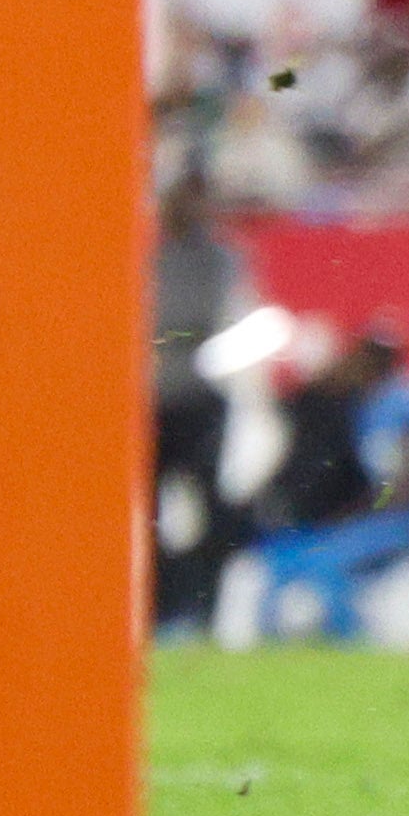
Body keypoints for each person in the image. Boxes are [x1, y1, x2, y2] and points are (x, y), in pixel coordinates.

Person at [245, 324, 409, 643]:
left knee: (325, 563)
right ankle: (268, 644)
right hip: (381, 515)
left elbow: (407, 485)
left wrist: (357, 515)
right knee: (285, 561)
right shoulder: (367, 404)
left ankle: (348, 638)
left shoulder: (404, 403)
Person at [147, 164, 245, 641]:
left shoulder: (216, 260)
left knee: (209, 509)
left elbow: (197, 322)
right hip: (155, 402)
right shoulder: (152, 257)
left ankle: (205, 613)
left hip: (197, 400)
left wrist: (163, 336)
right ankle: (162, 608)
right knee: (147, 511)